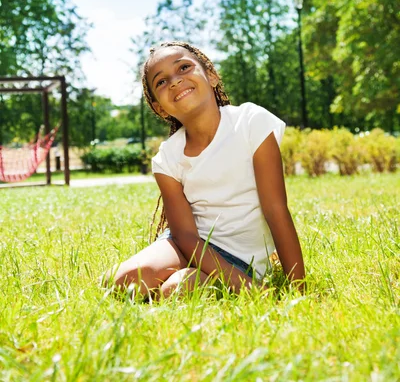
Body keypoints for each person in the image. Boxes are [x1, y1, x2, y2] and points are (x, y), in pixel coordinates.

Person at [104, 41, 305, 298]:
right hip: (187, 244)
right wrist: (253, 293)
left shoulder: (251, 122)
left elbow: (276, 211)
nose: (175, 81)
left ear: (211, 75)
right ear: (159, 108)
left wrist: (299, 291)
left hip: (240, 257)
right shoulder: (167, 158)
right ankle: (169, 275)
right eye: (161, 82)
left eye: (184, 67)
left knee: (176, 290)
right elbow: (186, 236)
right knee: (122, 281)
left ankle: (180, 281)